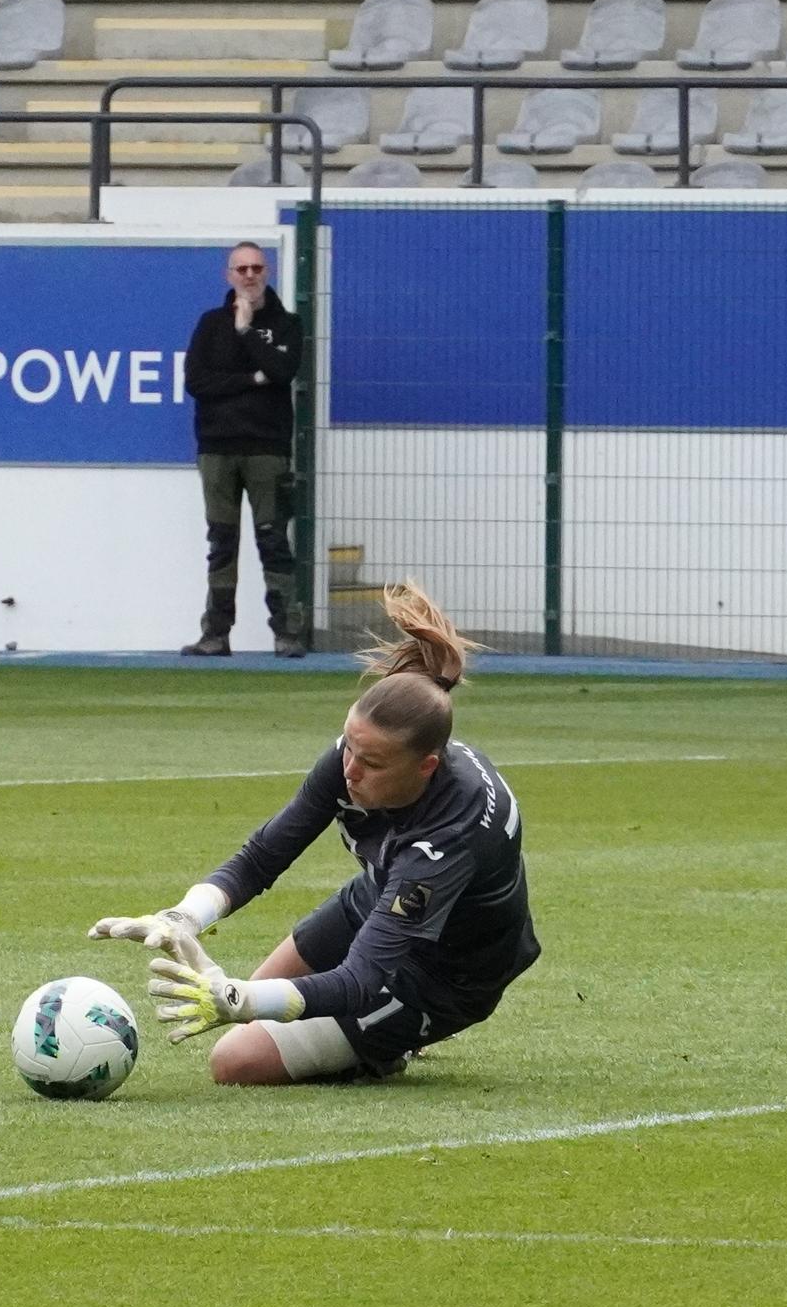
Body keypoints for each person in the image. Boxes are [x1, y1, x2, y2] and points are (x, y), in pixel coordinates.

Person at [90, 584, 536, 1085]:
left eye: (370, 763)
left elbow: (361, 981)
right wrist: (184, 917)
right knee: (251, 1017)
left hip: (446, 976)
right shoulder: (360, 750)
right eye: (349, 749)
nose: (350, 770)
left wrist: (238, 997)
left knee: (235, 1061)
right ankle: (357, 1043)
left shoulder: (447, 838)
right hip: (377, 901)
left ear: (427, 767)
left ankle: (390, 1046)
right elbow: (263, 856)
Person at [183, 239, 305, 658]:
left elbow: (282, 370)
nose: (250, 275)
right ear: (229, 274)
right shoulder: (208, 324)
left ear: (266, 272)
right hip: (217, 448)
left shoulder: (287, 324)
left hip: (267, 448)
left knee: (273, 539)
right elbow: (198, 383)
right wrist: (251, 379)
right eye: (242, 269)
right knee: (221, 541)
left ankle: (288, 633)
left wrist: (246, 331)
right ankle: (215, 634)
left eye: (257, 268)